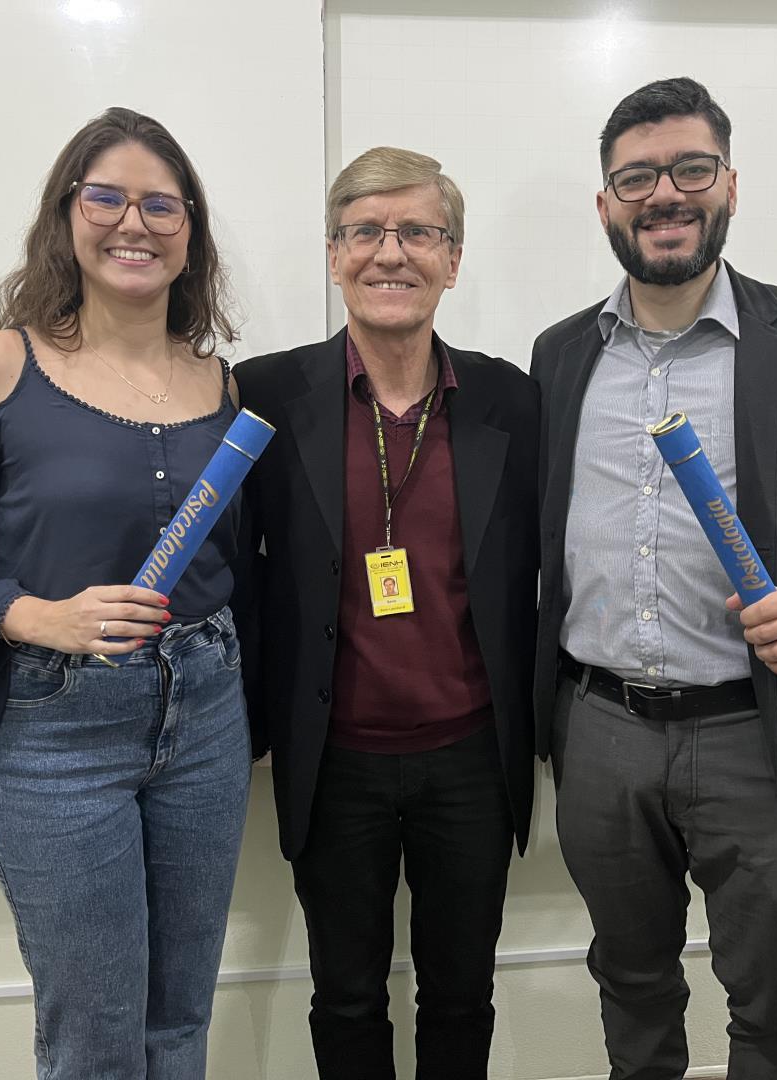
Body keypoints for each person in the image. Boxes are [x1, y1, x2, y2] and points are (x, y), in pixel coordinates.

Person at [532, 77, 777, 1079]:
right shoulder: (561, 355)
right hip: (603, 733)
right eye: (636, 177)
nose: (665, 194)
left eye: (690, 169)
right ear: (606, 203)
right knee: (632, 986)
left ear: (730, 185)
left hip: (762, 738)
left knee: (771, 1002)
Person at [0, 107, 250, 1079]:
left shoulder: (222, 385)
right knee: (94, 1038)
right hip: (56, 731)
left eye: (163, 204)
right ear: (66, 218)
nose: (135, 222)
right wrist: (43, 616)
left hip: (206, 718)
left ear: (191, 230)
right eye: (107, 197)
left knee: (179, 1021)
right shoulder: (2, 365)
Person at [232, 147, 539, 1080]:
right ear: (333, 257)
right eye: (365, 232)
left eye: (418, 232)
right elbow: (234, 573)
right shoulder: (267, 396)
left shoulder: (512, 400)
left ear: (452, 256)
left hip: (471, 760)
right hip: (336, 763)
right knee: (348, 1000)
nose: (390, 252)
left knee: (461, 997)